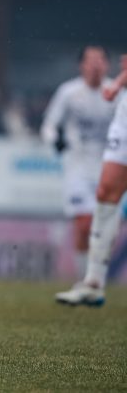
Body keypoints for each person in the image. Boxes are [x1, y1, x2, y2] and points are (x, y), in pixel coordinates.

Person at [56, 53, 127, 306]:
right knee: (106, 193)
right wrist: (120, 83)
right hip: (123, 117)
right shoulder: (69, 92)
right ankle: (93, 283)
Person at [41, 45, 114, 279]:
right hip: (78, 166)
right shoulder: (68, 92)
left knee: (105, 229)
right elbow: (49, 125)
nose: (95, 65)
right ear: (81, 65)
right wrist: (55, 141)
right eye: (90, 60)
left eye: (99, 60)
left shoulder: (117, 93)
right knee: (84, 224)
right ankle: (86, 279)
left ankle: (95, 279)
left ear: (106, 65)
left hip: (109, 166)